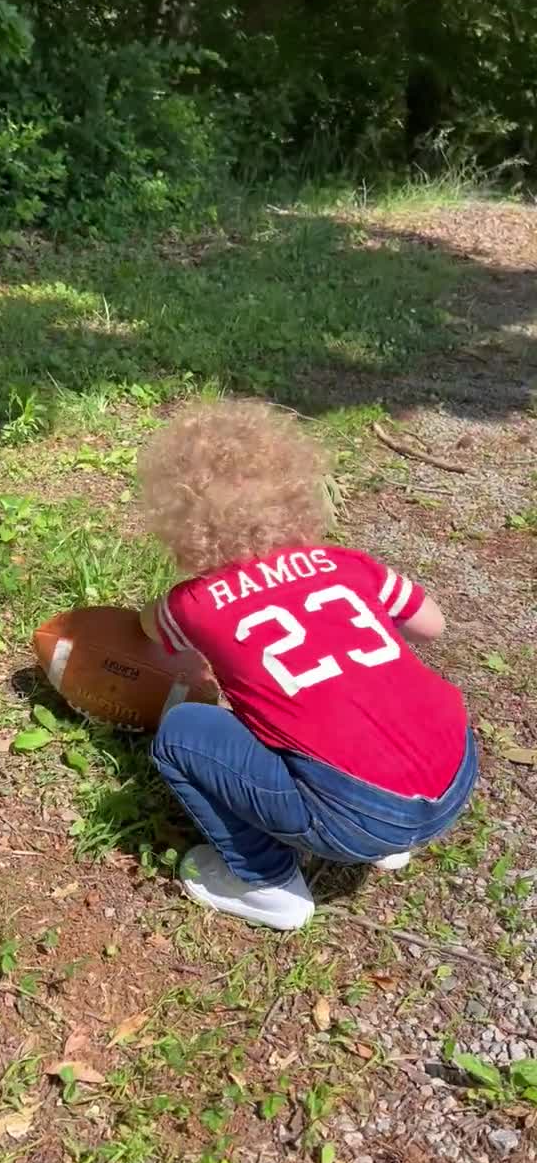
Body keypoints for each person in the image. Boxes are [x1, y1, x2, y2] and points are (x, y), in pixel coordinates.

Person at [137, 398, 478, 931]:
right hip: (456, 772)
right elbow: (431, 624)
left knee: (181, 733)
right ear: (298, 491)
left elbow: (152, 637)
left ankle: (265, 882)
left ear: (179, 521)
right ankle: (392, 839)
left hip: (356, 812)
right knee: (377, 694)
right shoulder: (346, 564)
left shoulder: (192, 603)